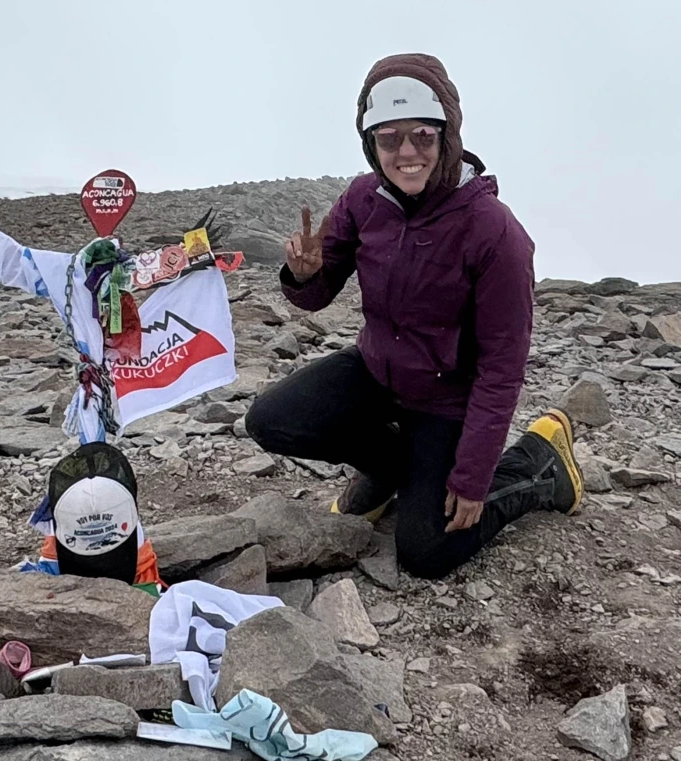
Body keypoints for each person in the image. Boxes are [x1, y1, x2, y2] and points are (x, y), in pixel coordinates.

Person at [244, 53, 585, 580]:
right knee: (271, 420)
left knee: (426, 551)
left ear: (446, 137)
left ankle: (538, 464)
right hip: (380, 371)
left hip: (448, 399)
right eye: (389, 138)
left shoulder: (494, 232)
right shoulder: (363, 198)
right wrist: (306, 275)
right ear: (371, 143)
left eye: (422, 136)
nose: (406, 153)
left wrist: (471, 478)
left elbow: (501, 367)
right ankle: (390, 468)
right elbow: (315, 297)